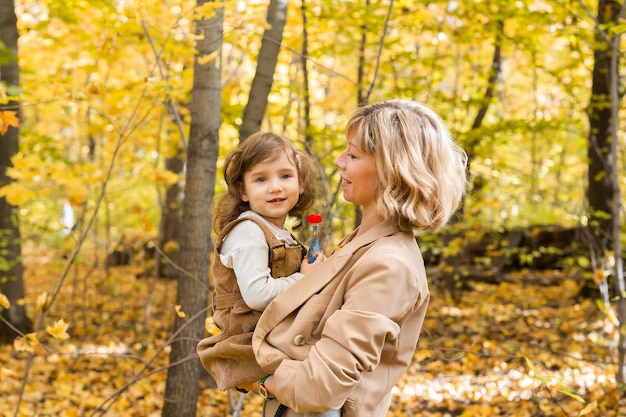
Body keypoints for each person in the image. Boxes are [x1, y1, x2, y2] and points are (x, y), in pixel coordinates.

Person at [243, 99, 468, 417]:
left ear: (392, 169)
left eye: (352, 154)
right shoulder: (364, 242)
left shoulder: (389, 265)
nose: (338, 161)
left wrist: (261, 379)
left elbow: (319, 388)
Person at [196, 131, 327, 402]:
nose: (275, 187)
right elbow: (257, 294)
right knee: (319, 392)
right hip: (248, 341)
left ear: (300, 184)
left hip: (274, 335)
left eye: (285, 176)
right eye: (261, 179)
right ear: (243, 191)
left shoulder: (280, 234)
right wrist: (305, 279)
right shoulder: (248, 231)